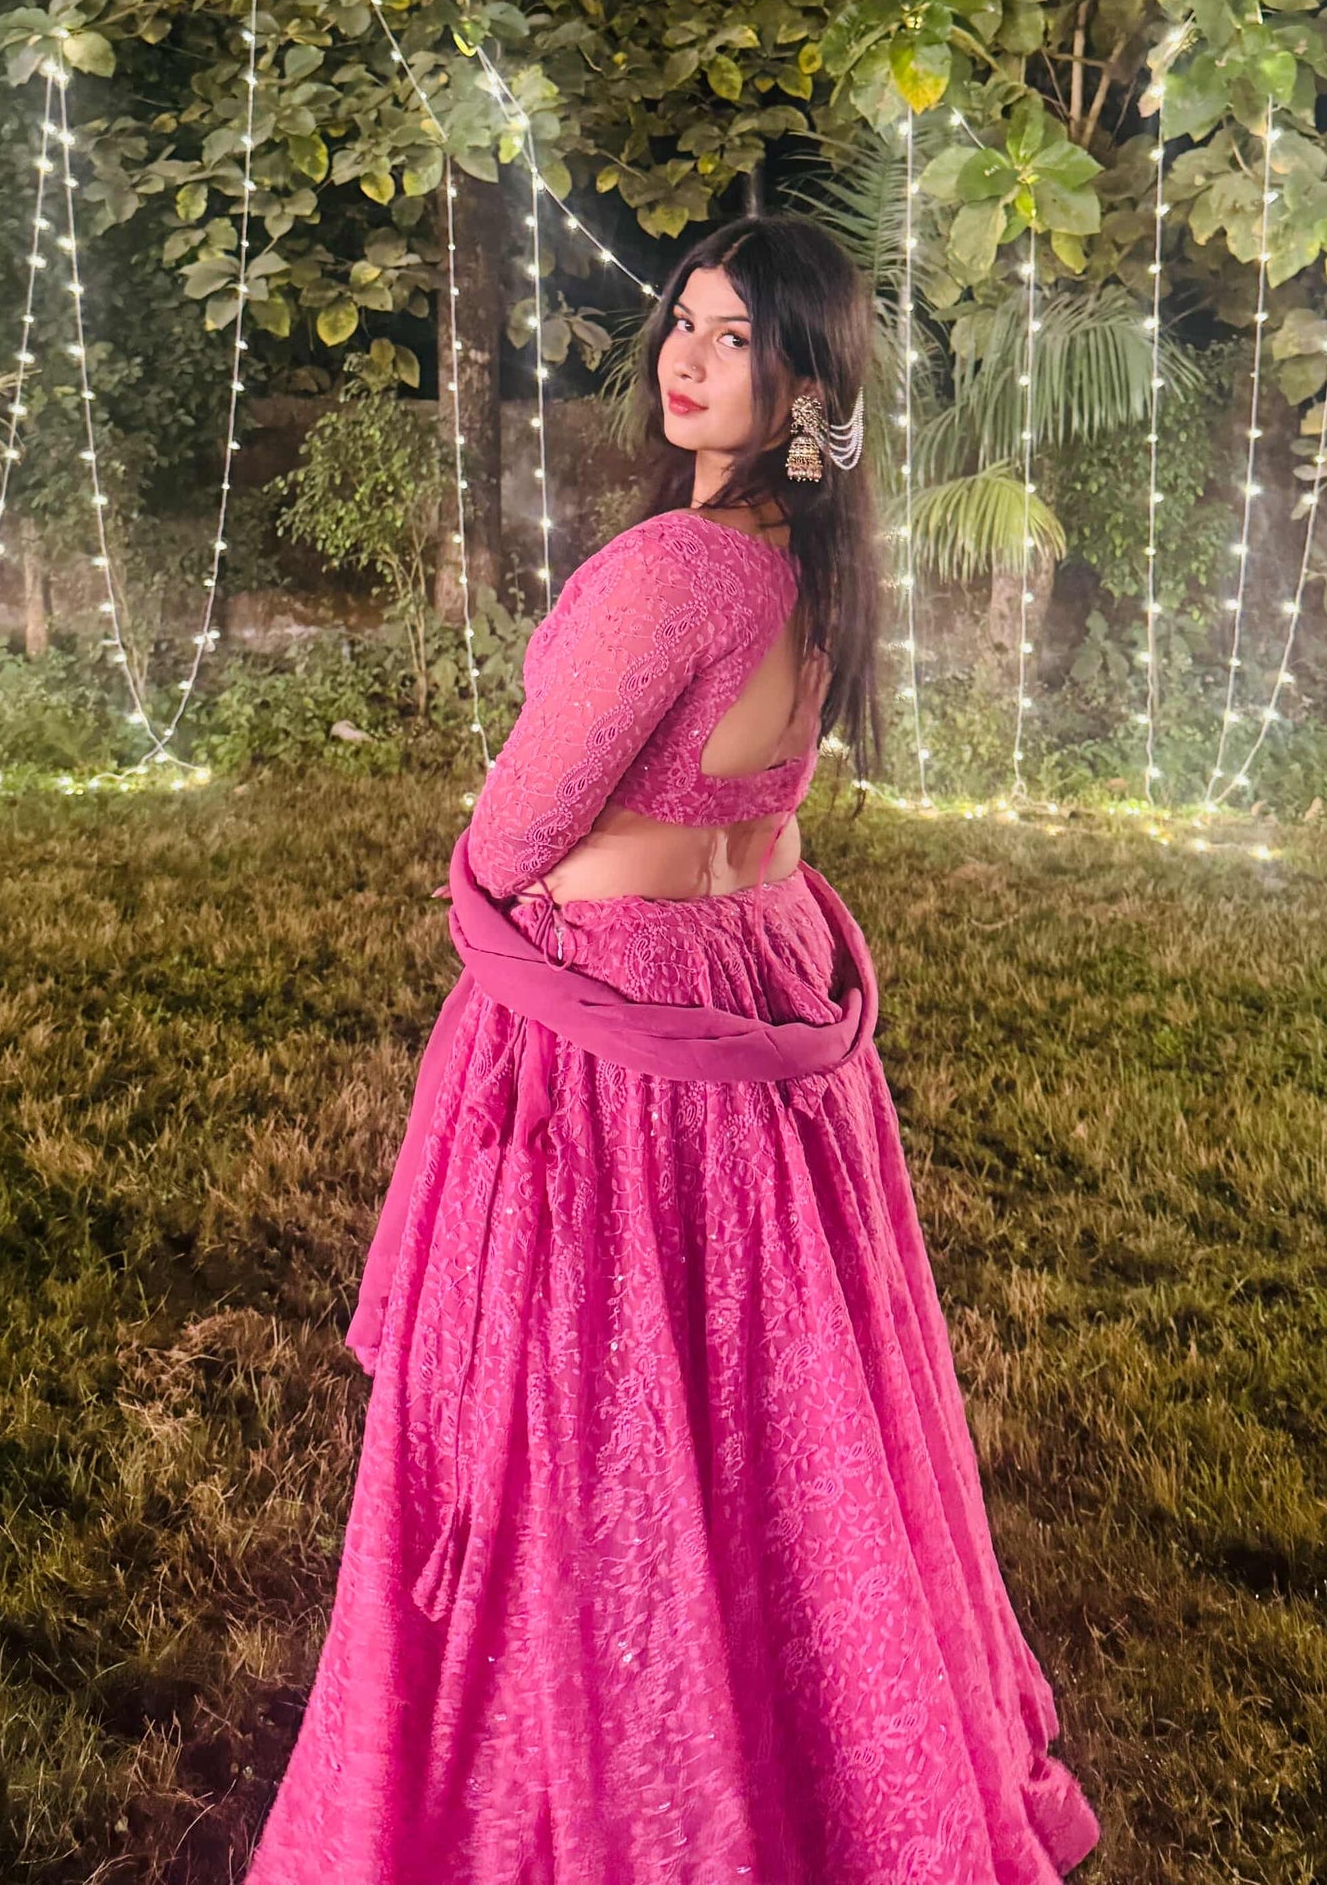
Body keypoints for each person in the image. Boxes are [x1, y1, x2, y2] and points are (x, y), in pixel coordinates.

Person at [244, 217, 1099, 1884]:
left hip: (626, 1017)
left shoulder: (671, 571)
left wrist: (485, 892)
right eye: (684, 325)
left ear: (807, 384)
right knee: (775, 1393)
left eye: (735, 339)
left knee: (597, 1394)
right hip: (755, 978)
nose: (687, 361)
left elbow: (520, 826)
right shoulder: (815, 565)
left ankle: (609, 1760)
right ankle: (816, 1736)